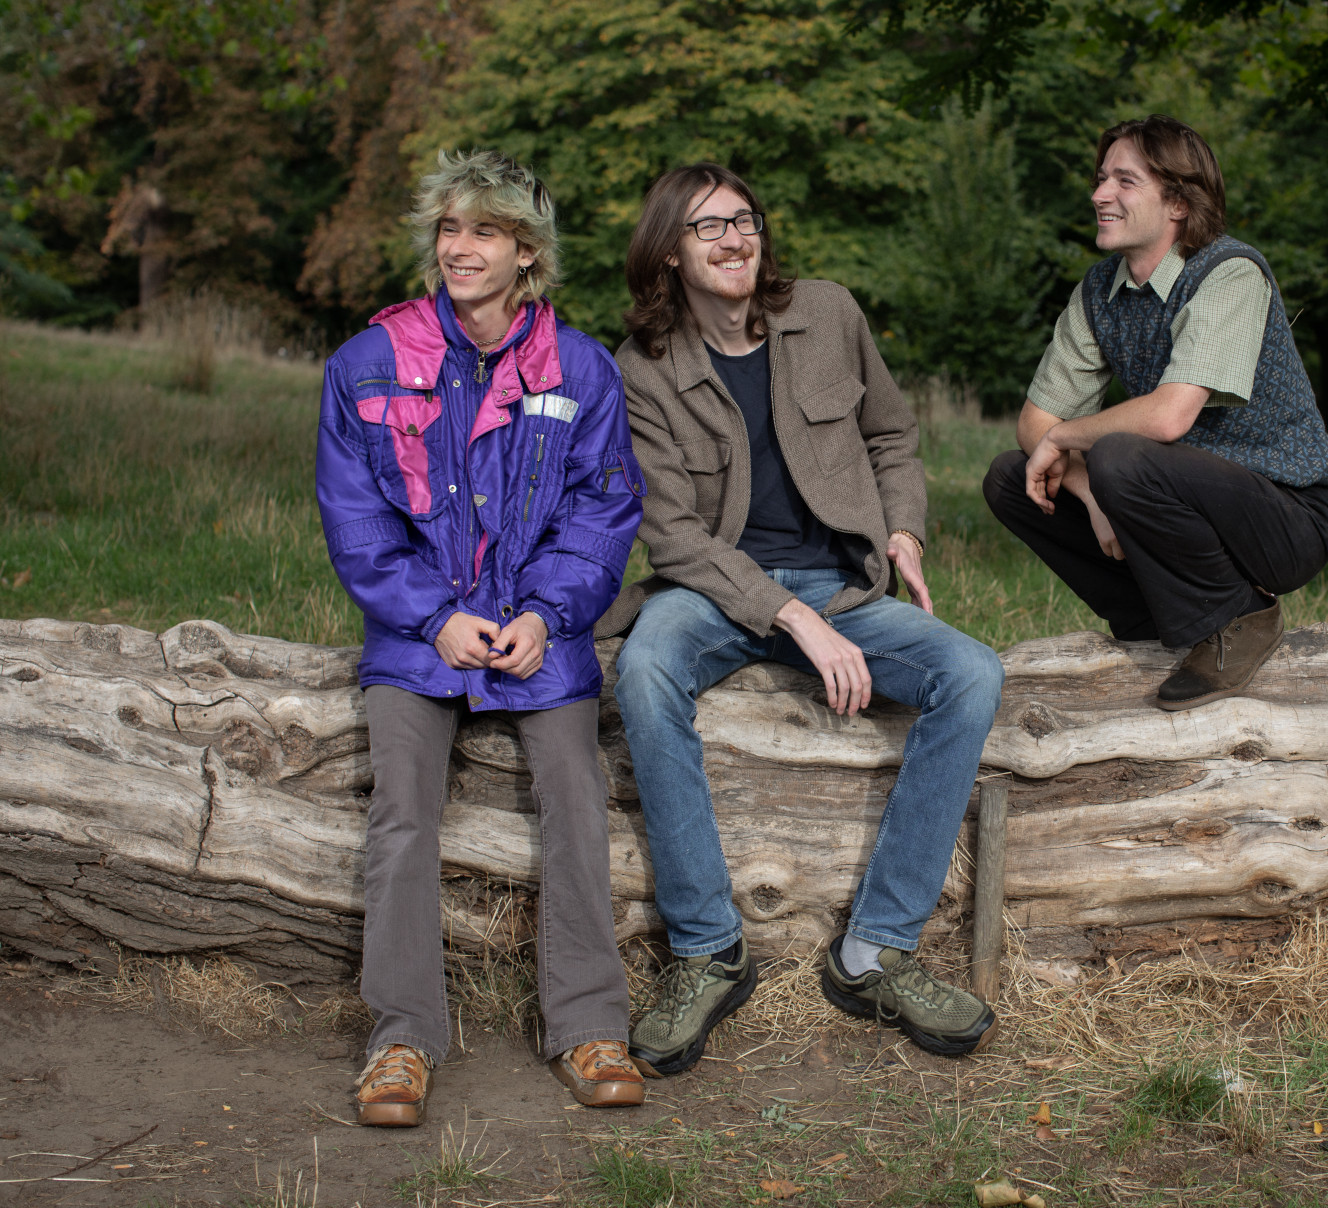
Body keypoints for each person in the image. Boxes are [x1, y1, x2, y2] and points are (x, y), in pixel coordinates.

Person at [597, 162, 1004, 1076]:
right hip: (714, 591)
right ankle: (708, 950)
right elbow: (670, 535)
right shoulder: (644, 370)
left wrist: (903, 529)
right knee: (645, 668)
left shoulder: (828, 312)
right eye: (710, 228)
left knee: (973, 673)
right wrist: (790, 619)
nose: (736, 239)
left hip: (842, 586)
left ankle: (874, 954)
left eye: (745, 220)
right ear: (668, 252)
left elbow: (892, 435)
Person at [316, 150, 650, 1126]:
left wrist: (547, 612)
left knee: (579, 796)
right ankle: (401, 1038)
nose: (461, 248)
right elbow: (357, 519)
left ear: (525, 251)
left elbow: (602, 508)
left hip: (544, 636)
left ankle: (589, 1025)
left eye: (486, 231)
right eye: (449, 229)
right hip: (418, 635)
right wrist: (433, 616)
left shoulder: (579, 367)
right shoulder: (366, 363)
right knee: (402, 809)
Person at [983, 115, 1328, 710]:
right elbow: (1033, 425)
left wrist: (1074, 441)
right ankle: (1147, 618)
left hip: (1283, 518)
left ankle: (1241, 619)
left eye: (1124, 181)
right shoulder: (1099, 292)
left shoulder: (1229, 273)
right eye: (1100, 179)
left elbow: (1169, 417)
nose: (1099, 195)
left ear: (1177, 201)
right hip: (1180, 503)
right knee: (1009, 478)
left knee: (1120, 454)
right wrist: (1091, 495)